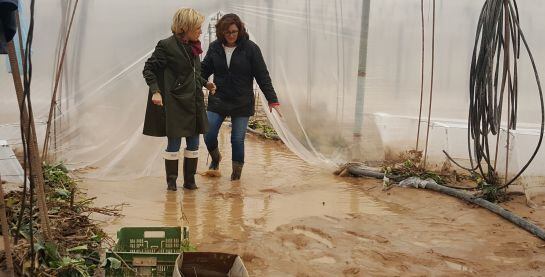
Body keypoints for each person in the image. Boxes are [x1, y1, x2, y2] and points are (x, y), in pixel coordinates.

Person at [142, 8, 216, 191]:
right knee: (174, 143)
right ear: (185, 27)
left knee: (194, 143)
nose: (200, 31)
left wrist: (206, 83)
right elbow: (148, 69)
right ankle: (172, 185)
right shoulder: (166, 45)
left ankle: (190, 183)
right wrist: (156, 91)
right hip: (175, 103)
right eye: (197, 27)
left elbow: (191, 74)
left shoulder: (194, 46)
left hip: (194, 102)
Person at [202, 13, 280, 181]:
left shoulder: (250, 48)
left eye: (234, 31)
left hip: (242, 101)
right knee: (208, 134)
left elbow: (262, 75)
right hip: (219, 99)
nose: (230, 35)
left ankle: (235, 180)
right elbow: (203, 71)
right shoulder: (215, 47)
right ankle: (216, 159)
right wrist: (199, 82)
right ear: (221, 32)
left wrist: (272, 99)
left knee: (237, 139)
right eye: (227, 32)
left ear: (240, 30)